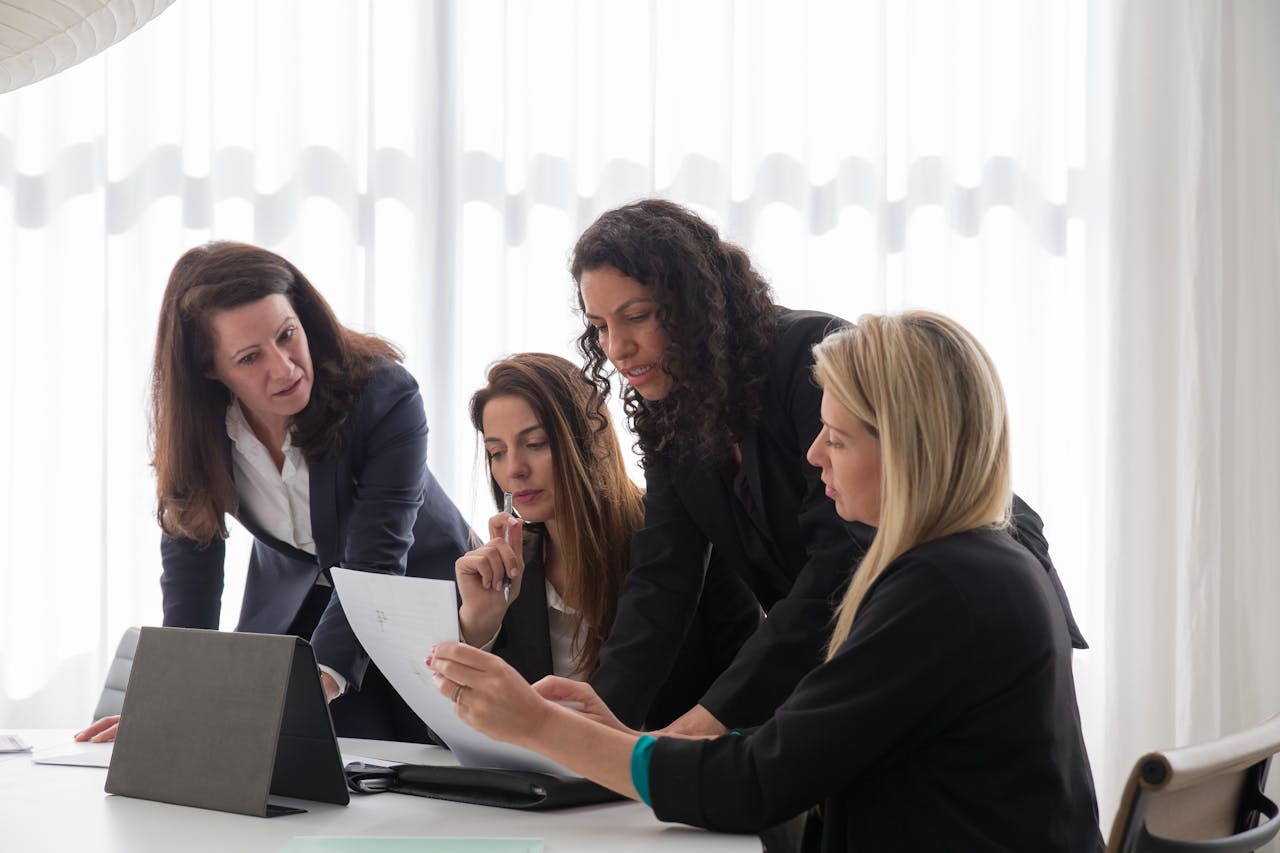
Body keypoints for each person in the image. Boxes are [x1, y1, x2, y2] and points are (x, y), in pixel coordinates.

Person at [426, 311, 1105, 851]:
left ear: (906, 446)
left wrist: (543, 726)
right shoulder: (961, 568)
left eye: (835, 439)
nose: (811, 455)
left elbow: (755, 779)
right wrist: (622, 739)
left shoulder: (943, 591)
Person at [566, 198, 1086, 733]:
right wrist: (594, 728)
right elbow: (662, 578)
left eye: (637, 316)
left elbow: (841, 555)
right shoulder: (670, 411)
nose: (617, 348)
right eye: (600, 326)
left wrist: (705, 722)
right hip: (868, 629)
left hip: (973, 611)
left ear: (694, 302)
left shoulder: (810, 356)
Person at [77, 241, 470, 744]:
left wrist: (317, 684)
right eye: (249, 357)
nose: (284, 368)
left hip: (421, 604)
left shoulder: (384, 396)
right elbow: (191, 586)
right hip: (304, 612)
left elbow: (375, 564)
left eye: (288, 335)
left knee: (411, 774)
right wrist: (169, 703)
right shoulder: (196, 434)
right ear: (208, 369)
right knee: (287, 767)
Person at [454, 353, 758, 727]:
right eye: (496, 453)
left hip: (663, 776)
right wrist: (477, 630)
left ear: (587, 440)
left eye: (535, 444)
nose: (513, 469)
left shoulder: (680, 542)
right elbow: (446, 734)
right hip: (545, 781)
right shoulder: (507, 566)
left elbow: (751, 692)